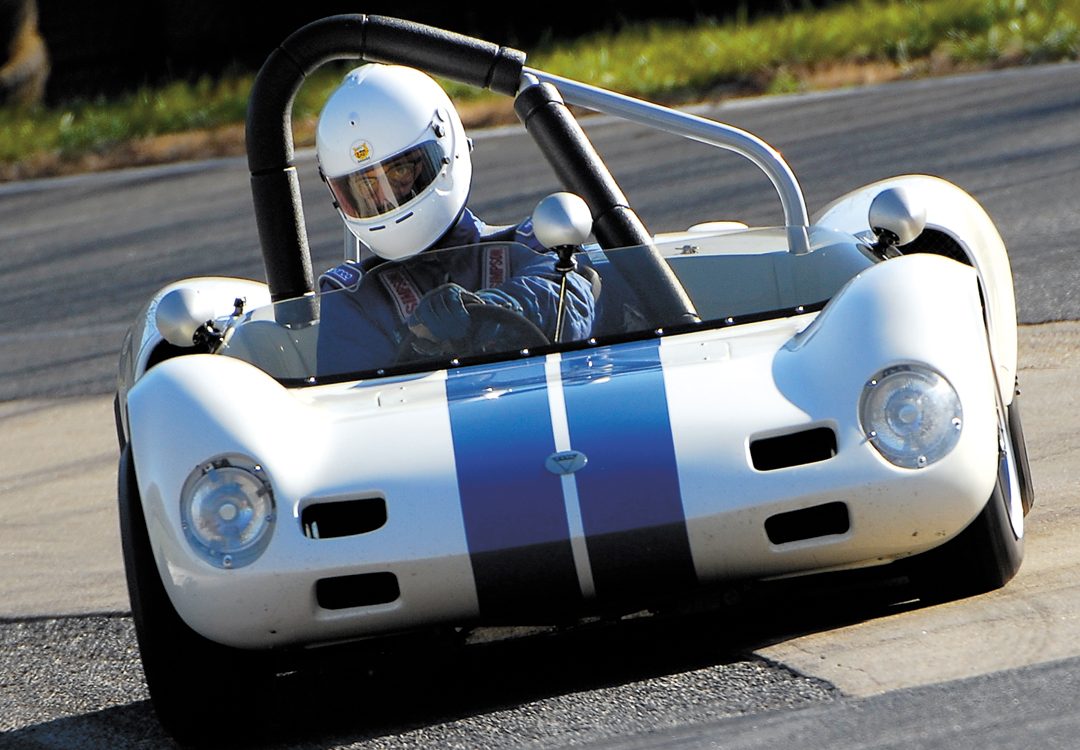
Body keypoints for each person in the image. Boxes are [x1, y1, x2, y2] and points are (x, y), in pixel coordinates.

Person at [312, 63, 597, 374]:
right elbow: (356, 401)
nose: (383, 197)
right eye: (365, 185)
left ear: (445, 148)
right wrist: (422, 351)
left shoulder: (533, 245)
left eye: (400, 172)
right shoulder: (354, 297)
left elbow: (571, 300)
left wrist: (493, 306)